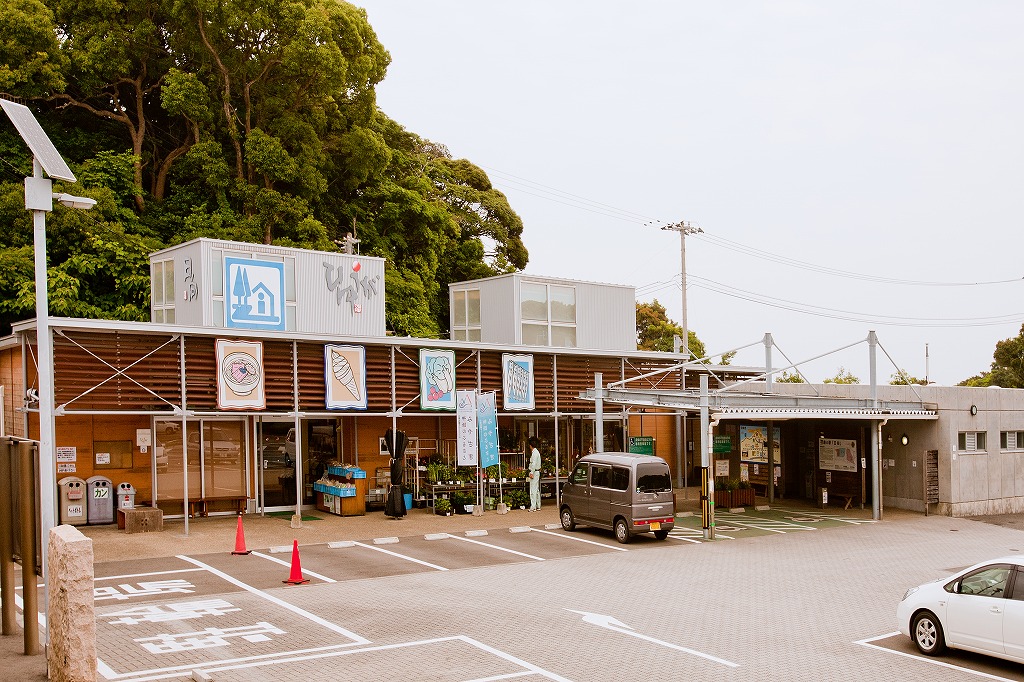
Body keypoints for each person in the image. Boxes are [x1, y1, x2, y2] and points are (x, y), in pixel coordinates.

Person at [527, 437, 542, 511]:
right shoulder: (536, 452)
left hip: (534, 471)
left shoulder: (534, 454)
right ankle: (538, 505)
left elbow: (533, 464)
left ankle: (533, 506)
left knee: (533, 490)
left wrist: (531, 472)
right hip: (537, 471)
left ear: (530, 445)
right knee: (536, 489)